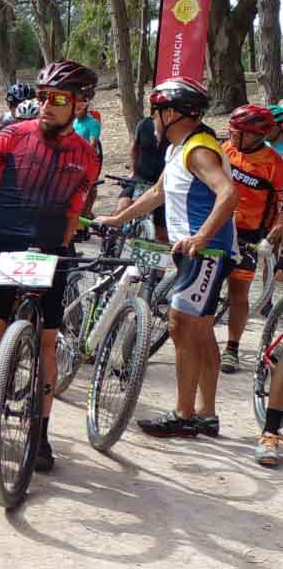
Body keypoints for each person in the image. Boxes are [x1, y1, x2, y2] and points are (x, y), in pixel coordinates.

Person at [0, 60, 101, 479]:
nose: (46, 105)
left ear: (79, 104)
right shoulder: (10, 136)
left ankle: (41, 436)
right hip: (2, 245)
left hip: (50, 252)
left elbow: (73, 212)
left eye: (58, 98)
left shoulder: (87, 156)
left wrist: (64, 249)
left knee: (47, 344)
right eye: (43, 96)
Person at [96, 77, 238, 440]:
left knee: (181, 326)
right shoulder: (179, 149)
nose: (152, 119)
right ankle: (205, 413)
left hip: (206, 252)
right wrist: (117, 219)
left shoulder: (198, 149)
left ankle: (183, 414)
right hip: (195, 252)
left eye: (155, 111)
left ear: (171, 113)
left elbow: (228, 194)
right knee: (200, 330)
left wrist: (201, 236)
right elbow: (157, 193)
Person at [216, 105, 283, 377]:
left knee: (239, 291)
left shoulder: (275, 165)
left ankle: (232, 347)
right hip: (218, 225)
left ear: (256, 135)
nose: (232, 135)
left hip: (249, 235)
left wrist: (272, 237)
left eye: (238, 132)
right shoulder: (227, 150)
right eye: (231, 130)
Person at [115, 113, 169, 243]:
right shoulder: (144, 124)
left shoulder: (175, 130)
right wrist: (133, 172)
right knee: (123, 206)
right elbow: (134, 148)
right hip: (140, 178)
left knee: (162, 233)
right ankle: (113, 242)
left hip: (162, 183)